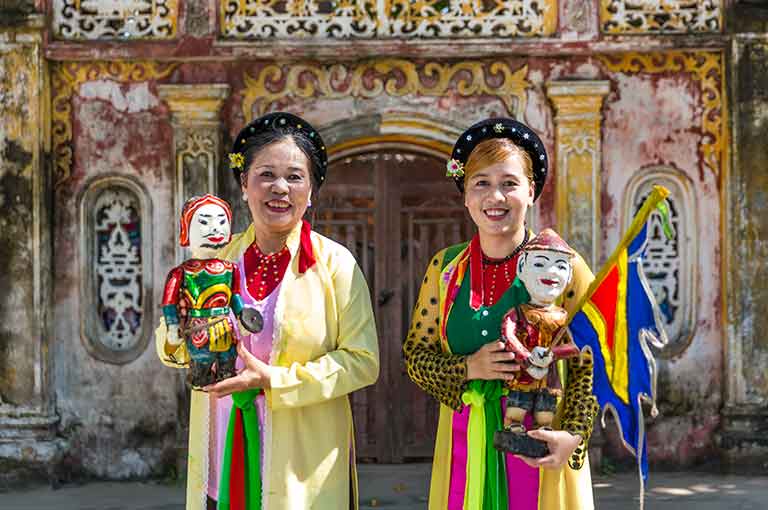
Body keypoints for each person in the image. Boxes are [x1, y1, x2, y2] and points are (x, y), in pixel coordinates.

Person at [156, 112, 380, 510]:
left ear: (311, 191)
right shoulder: (216, 258)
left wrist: (275, 380)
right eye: (266, 175)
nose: (280, 188)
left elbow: (362, 361)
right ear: (244, 185)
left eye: (295, 177)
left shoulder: (335, 264)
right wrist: (178, 336)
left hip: (304, 472)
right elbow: (170, 349)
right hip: (222, 458)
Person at [404, 118, 600, 510]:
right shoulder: (446, 270)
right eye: (481, 183)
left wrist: (573, 436)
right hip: (465, 443)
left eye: (509, 183)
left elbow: (591, 363)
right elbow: (415, 356)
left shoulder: (566, 267)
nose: (495, 196)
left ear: (531, 191)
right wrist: (467, 369)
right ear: (465, 195)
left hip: (544, 444)